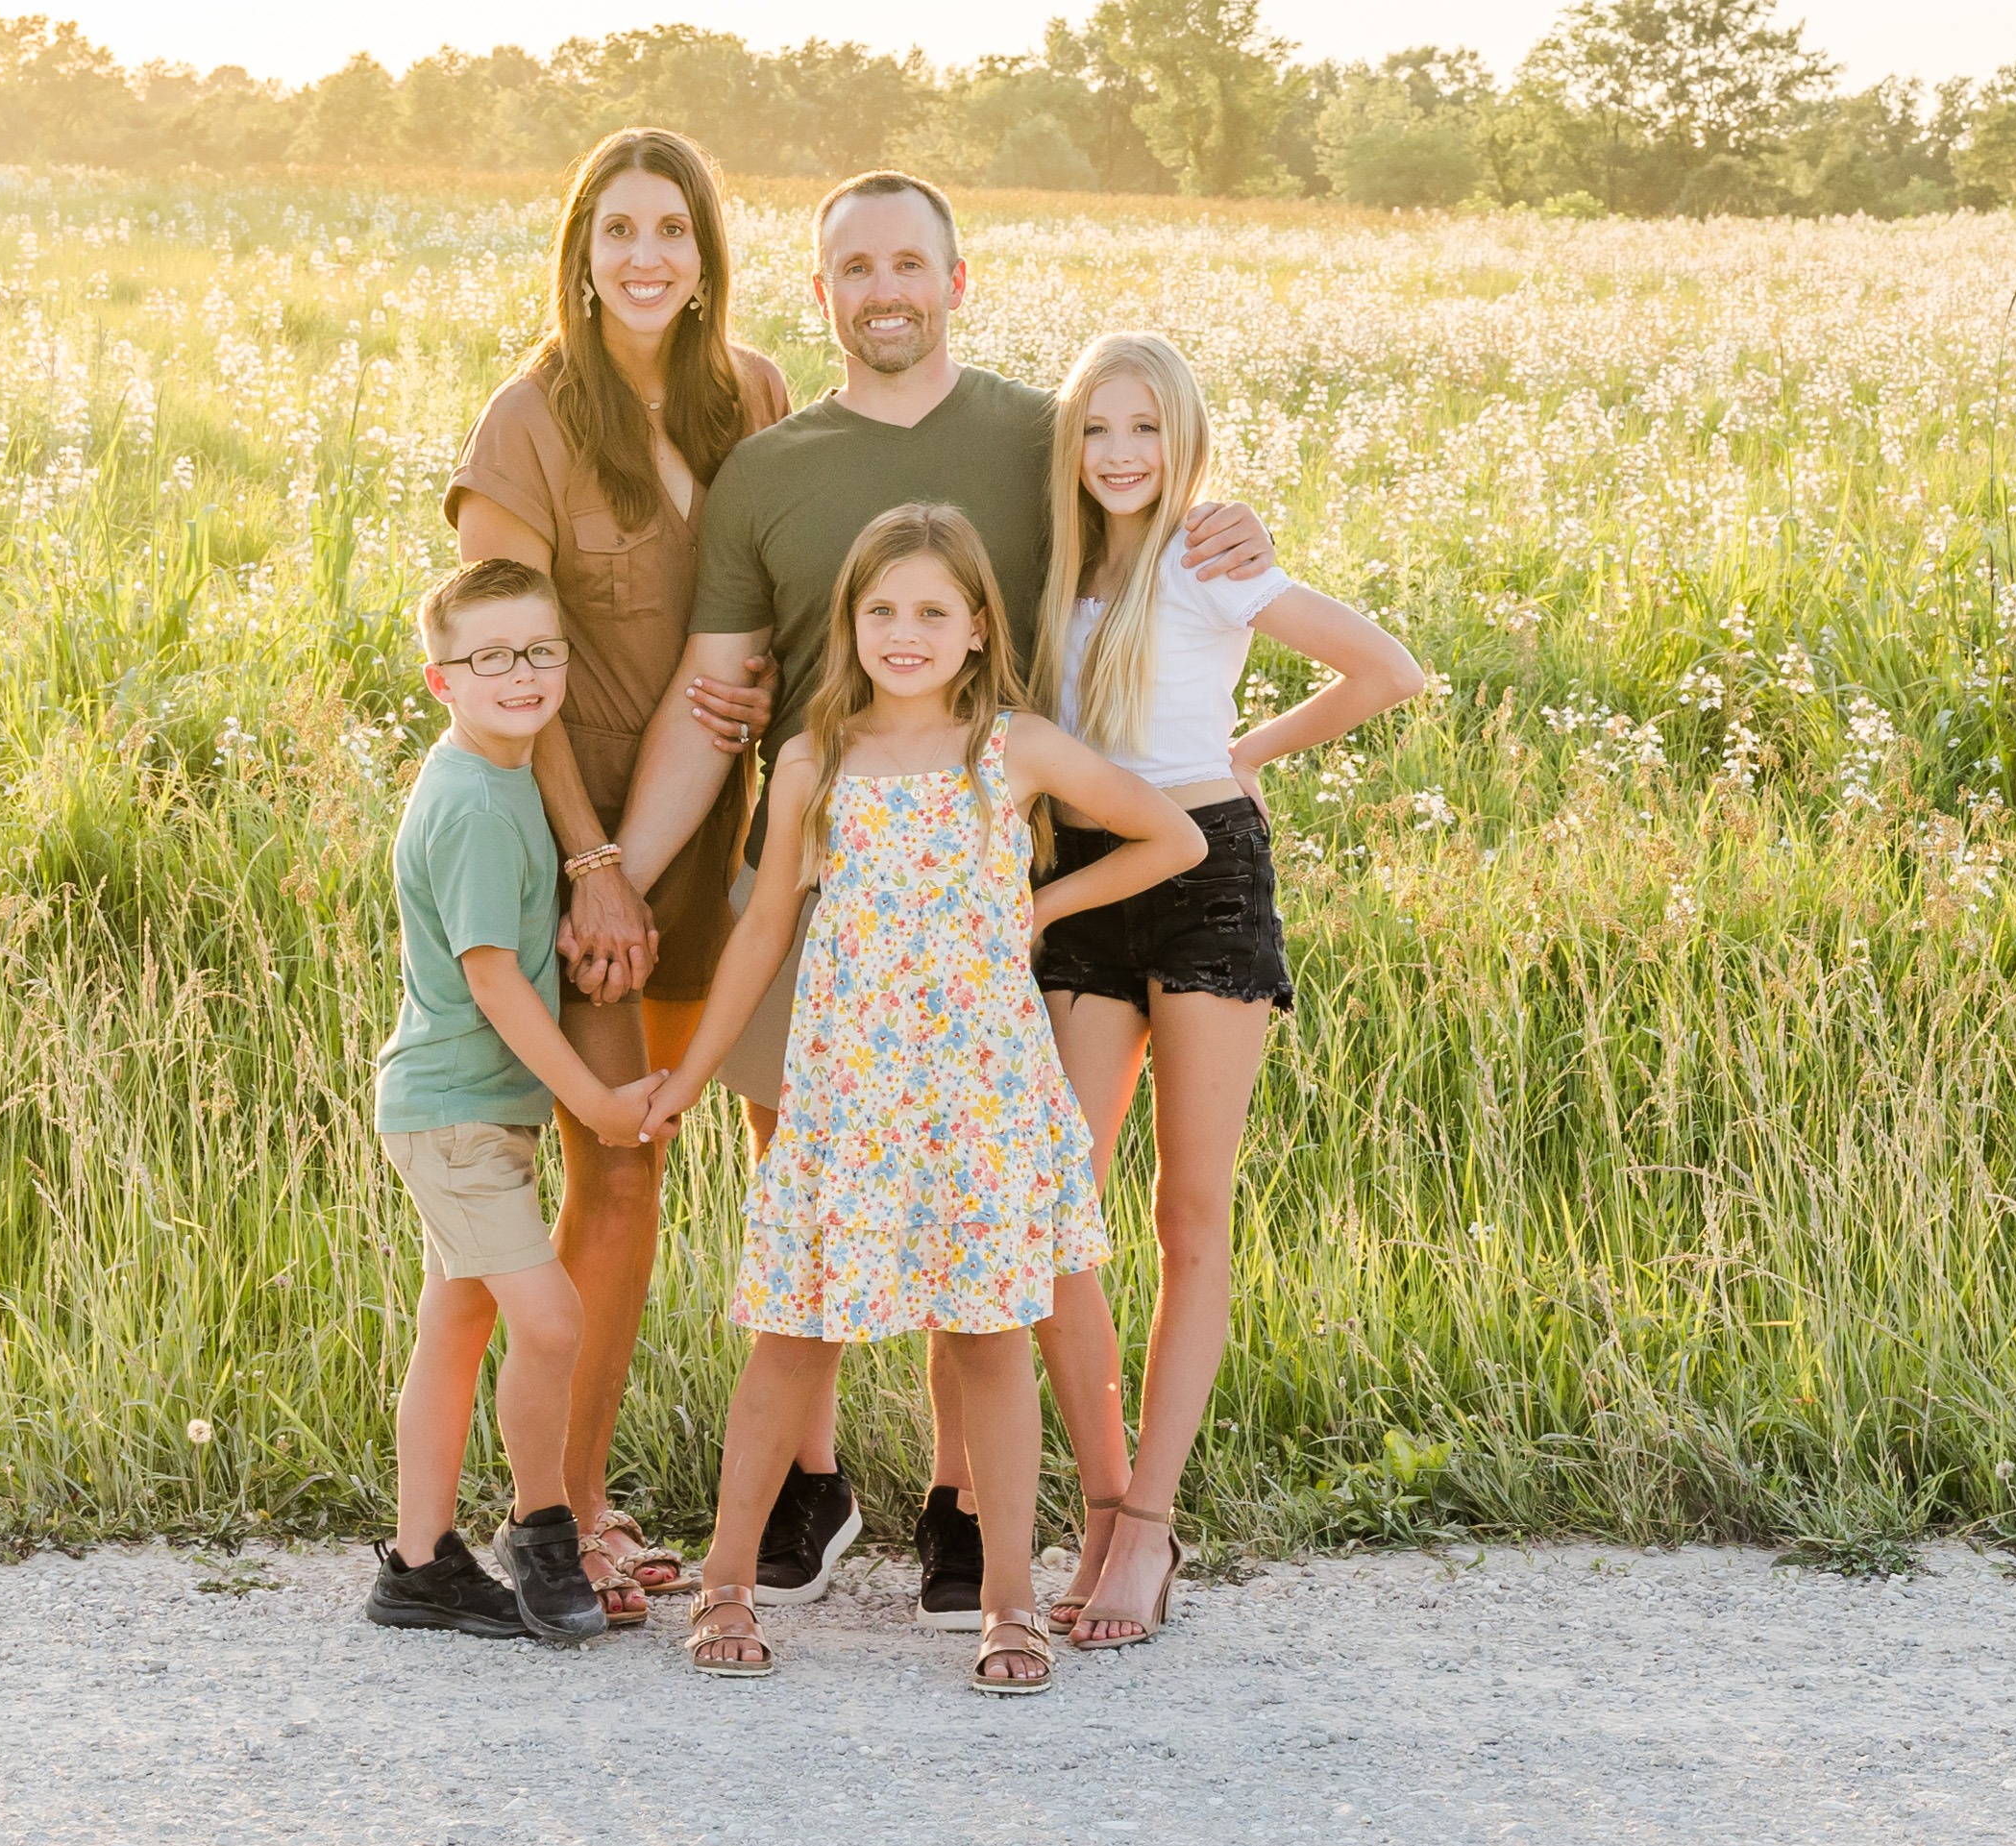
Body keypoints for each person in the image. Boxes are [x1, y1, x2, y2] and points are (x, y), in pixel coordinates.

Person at [607, 169, 1269, 1619]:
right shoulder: (772, 470)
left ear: (956, 280)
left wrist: (1237, 534)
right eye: (856, 268)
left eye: (911, 262)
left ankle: (980, 1514)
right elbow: (715, 691)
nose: (885, 288)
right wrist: (615, 870)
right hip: (835, 885)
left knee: (993, 1228)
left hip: (1003, 888)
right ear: (824, 288)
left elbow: (1141, 502)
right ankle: (809, 1488)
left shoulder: (1037, 434)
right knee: (830, 1206)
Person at [640, 505, 1203, 1694]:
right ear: (849, 623)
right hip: (848, 1093)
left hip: (980, 1096)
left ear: (975, 626)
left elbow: (1172, 836)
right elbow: (760, 939)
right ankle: (727, 1579)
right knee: (793, 1336)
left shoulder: (1013, 748)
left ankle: (1008, 1601)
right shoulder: (814, 757)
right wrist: (688, 1074)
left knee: (990, 1335)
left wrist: (1041, 909)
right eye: (880, 609)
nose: (904, 632)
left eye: (931, 611)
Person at [1023, 332, 1426, 1649]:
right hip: (1085, 881)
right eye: (1097, 429)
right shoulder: (1053, 574)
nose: (1121, 454)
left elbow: (1382, 668)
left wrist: (1245, 748)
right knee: (1052, 1214)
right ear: (1069, 447)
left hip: (1207, 878)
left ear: (1183, 439)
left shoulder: (1210, 563)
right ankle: (1095, 1494)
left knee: (1187, 1212)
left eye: (1145, 428)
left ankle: (1149, 1521)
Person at [443, 128, 793, 1622]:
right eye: (619, 229)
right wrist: (591, 863)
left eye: (673, 229)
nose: (647, 256)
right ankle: (567, 1506)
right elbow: (507, 659)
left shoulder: (756, 397)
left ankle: (797, 1493)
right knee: (619, 1161)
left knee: (781, 1144)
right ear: (579, 250)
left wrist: (783, 690)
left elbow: (797, 594)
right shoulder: (526, 419)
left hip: (731, 828)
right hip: (571, 831)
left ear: (706, 253)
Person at [363, 558, 666, 1646]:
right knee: (550, 1317)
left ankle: (416, 1560)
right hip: (453, 1114)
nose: (522, 673)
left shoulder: (502, 770)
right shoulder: (478, 803)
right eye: (490, 657)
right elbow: (492, 975)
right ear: (441, 679)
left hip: (471, 1110)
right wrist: (596, 1097)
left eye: (541, 650)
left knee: (456, 1321)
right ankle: (543, 1527)